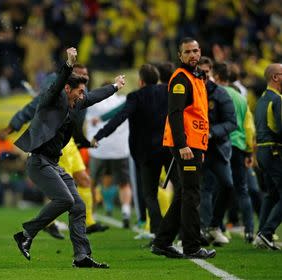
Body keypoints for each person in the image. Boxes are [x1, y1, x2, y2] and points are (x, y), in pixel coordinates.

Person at [13, 47, 125, 268]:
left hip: (53, 163)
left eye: (83, 91)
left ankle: (81, 256)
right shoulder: (51, 98)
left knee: (78, 206)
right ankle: (26, 233)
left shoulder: (78, 102)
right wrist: (68, 64)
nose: (82, 96)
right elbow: (57, 84)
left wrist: (114, 86)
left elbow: (93, 96)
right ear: (66, 88)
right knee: (66, 200)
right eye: (79, 91)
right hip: (38, 161)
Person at [3, 64, 108, 236]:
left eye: (87, 75)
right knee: (60, 189)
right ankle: (48, 223)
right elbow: (33, 106)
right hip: (55, 144)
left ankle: (88, 222)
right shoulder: (55, 93)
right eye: (81, 75)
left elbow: (76, 125)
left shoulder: (81, 94)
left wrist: (85, 142)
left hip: (71, 142)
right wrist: (14, 124)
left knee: (83, 181)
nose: (85, 78)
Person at [151, 38, 216, 259]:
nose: (193, 55)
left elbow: (197, 115)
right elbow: (175, 113)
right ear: (180, 56)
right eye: (187, 52)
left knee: (183, 194)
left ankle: (162, 242)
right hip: (185, 144)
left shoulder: (196, 77)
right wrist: (182, 145)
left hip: (194, 144)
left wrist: (200, 146)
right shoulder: (180, 78)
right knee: (191, 194)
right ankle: (192, 246)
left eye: (196, 50)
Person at [92, 64, 172, 237]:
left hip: (145, 153)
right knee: (178, 189)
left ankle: (158, 232)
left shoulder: (136, 97)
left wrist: (99, 135)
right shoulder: (167, 92)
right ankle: (176, 227)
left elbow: (119, 118)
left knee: (149, 194)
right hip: (168, 149)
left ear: (141, 81)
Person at [209, 61, 255, 243]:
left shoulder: (215, 95)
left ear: (217, 78)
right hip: (241, 146)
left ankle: (215, 227)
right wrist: (250, 151)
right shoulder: (241, 98)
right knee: (242, 190)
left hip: (222, 145)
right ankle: (250, 231)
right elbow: (248, 126)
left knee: (215, 188)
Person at [196, 57, 237, 245]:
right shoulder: (191, 92)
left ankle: (213, 225)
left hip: (218, 149)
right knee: (201, 189)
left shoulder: (220, 93)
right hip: (196, 148)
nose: (202, 75)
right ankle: (201, 229)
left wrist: (212, 132)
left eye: (206, 72)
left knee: (228, 185)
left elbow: (231, 122)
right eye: (199, 72)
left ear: (211, 72)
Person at [86, 81, 132, 229]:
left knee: (92, 183)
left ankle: (90, 215)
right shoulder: (124, 100)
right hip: (121, 149)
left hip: (98, 149)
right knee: (124, 183)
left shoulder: (92, 103)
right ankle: (125, 211)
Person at [253, 63, 282, 250]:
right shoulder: (278, 100)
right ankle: (266, 232)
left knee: (271, 195)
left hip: (262, 152)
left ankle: (261, 235)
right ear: (276, 77)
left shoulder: (262, 99)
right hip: (274, 150)